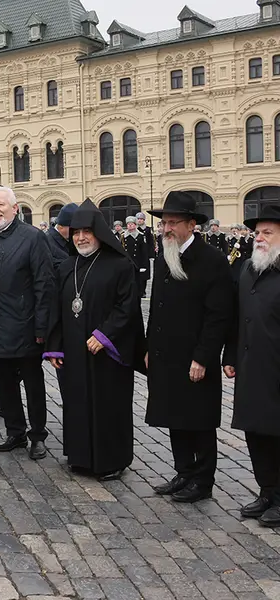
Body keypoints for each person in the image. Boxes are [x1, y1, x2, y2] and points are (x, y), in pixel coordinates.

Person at [45, 199, 144, 480]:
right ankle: (81, 456)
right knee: (76, 403)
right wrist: (55, 347)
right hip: (75, 352)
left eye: (86, 231)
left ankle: (112, 460)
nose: (80, 237)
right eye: (76, 232)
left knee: (107, 405)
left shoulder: (120, 265)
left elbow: (127, 307)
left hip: (107, 354)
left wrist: (104, 335)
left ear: (98, 232)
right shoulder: (67, 266)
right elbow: (58, 308)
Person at [145, 191, 234, 503]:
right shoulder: (164, 254)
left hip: (195, 356)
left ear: (191, 225)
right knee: (173, 415)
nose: (166, 228)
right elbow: (155, 306)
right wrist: (148, 345)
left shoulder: (212, 260)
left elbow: (218, 315)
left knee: (199, 420)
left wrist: (203, 356)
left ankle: (203, 481)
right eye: (163, 223)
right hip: (165, 354)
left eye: (172, 223)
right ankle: (183, 472)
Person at [0, 187, 53, 458]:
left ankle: (38, 436)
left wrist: (42, 327)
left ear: (15, 208)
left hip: (26, 326)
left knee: (33, 384)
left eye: (1, 205)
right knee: (5, 383)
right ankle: (15, 432)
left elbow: (44, 285)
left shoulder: (33, 237)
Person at [223, 205, 280, 526]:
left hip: (276, 369)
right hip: (249, 366)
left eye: (267, 232)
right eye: (257, 232)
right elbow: (237, 318)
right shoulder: (248, 269)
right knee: (255, 432)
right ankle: (266, 491)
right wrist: (230, 356)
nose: (259, 238)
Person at [122, 216, 150, 297]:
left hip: (137, 261)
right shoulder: (123, 236)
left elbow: (144, 252)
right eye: (128, 224)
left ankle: (140, 292)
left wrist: (144, 265)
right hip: (127, 262)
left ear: (135, 225)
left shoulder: (140, 236)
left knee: (138, 280)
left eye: (132, 224)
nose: (130, 226)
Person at [46, 203, 78, 271]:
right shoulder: (46, 243)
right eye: (74, 229)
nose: (77, 233)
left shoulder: (67, 238)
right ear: (60, 227)